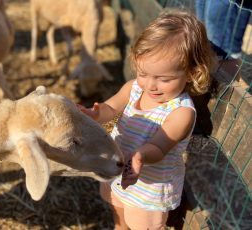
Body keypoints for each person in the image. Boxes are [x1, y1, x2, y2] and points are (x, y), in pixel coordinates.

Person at [78, 10, 213, 229]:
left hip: (149, 192)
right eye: (143, 74)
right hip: (118, 173)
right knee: (119, 219)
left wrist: (140, 156)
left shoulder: (181, 112)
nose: (150, 85)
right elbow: (110, 108)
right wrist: (93, 114)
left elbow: (158, 147)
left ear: (191, 73)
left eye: (163, 78)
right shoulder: (133, 88)